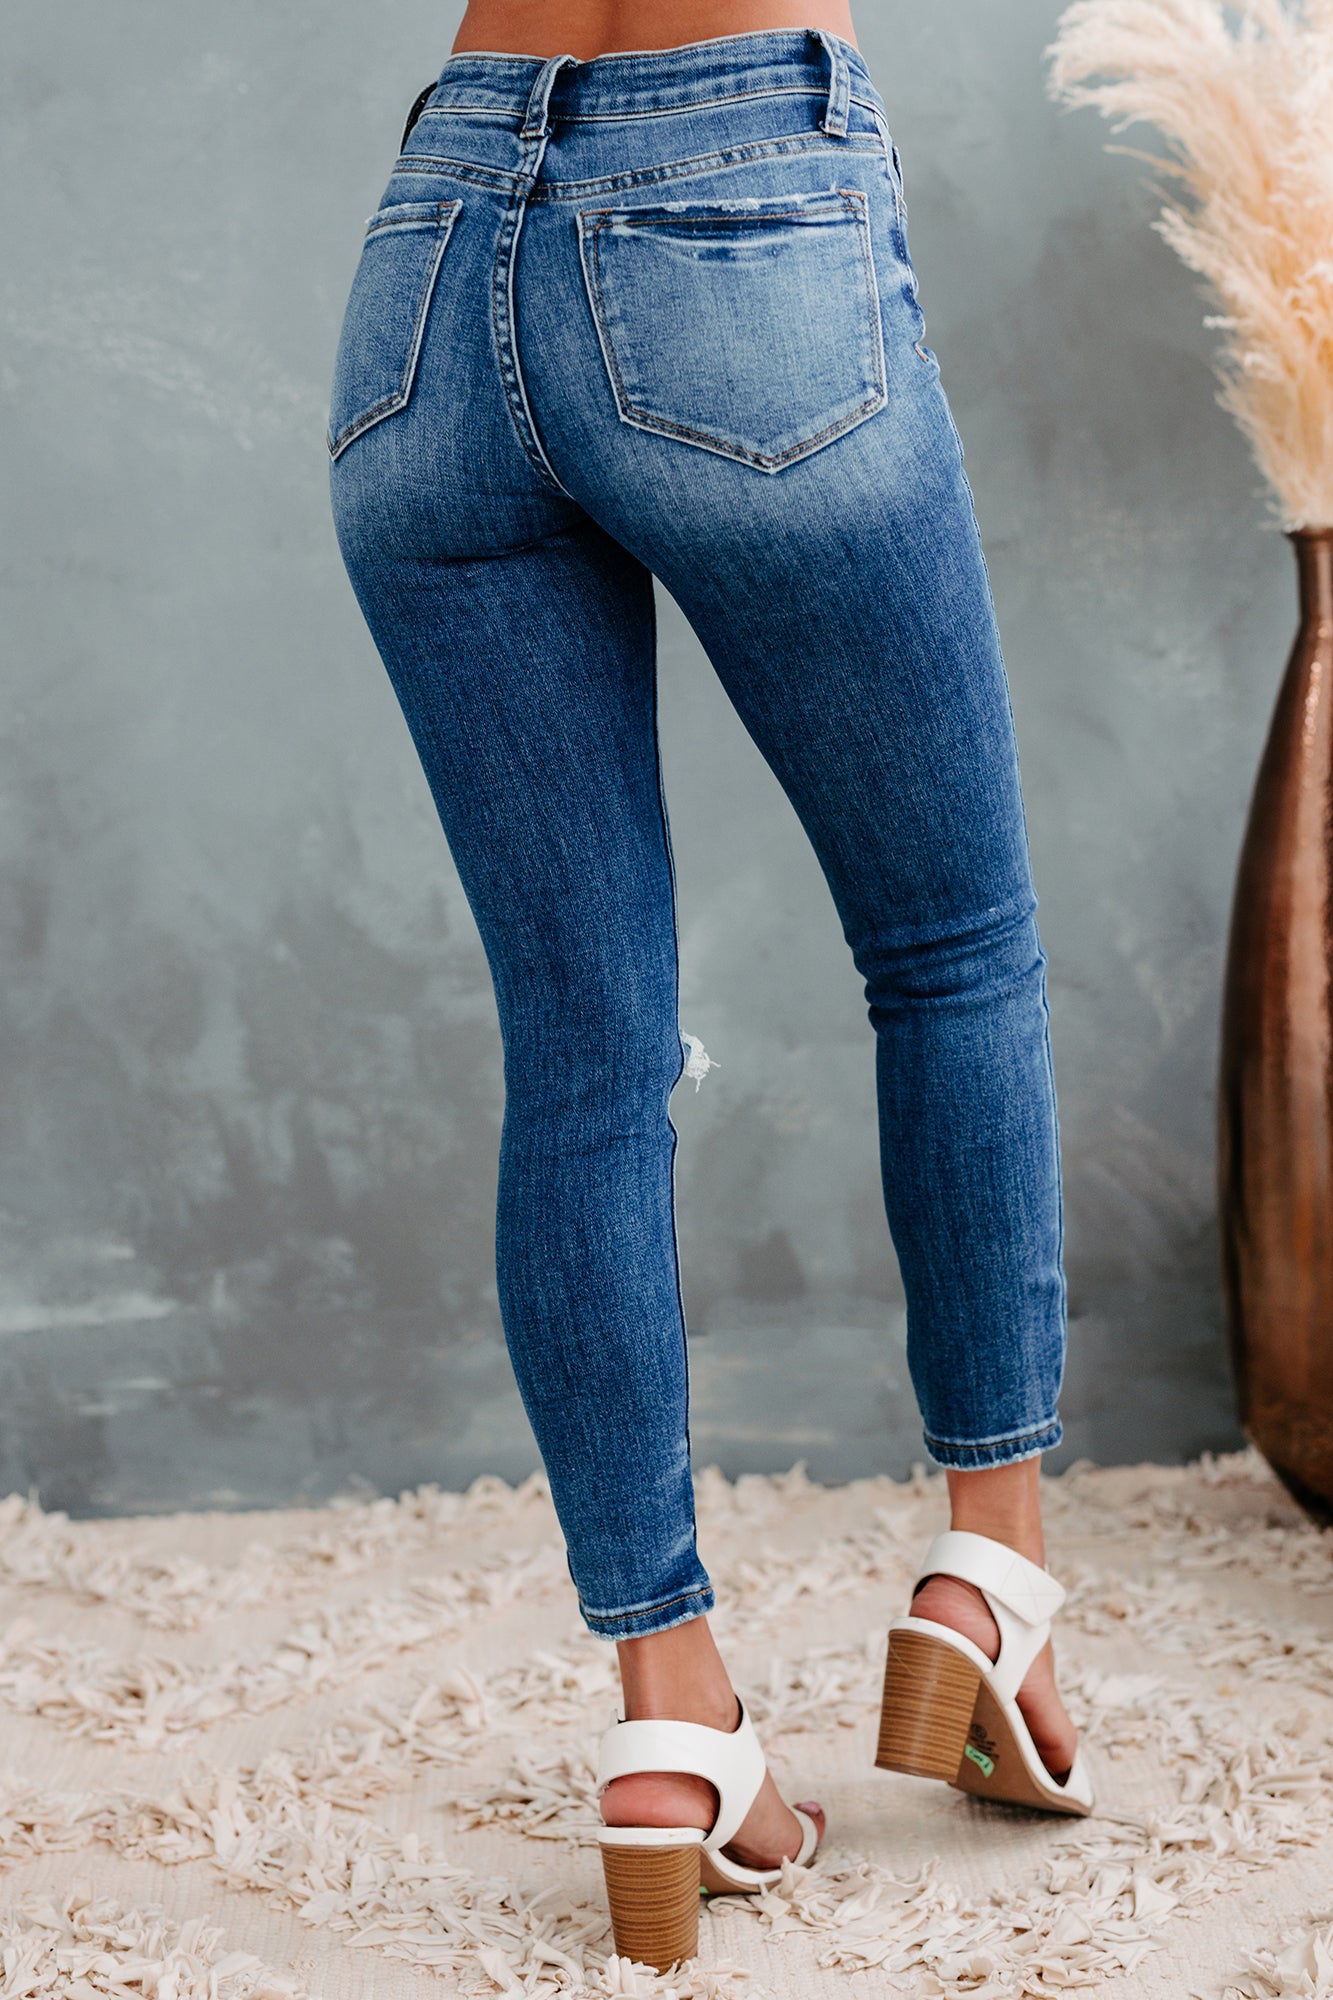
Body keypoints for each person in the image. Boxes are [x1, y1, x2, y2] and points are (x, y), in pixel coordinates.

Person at [328, 0, 1092, 1966]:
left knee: (580, 1055)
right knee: (951, 950)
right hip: (736, 198)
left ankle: (671, 1723)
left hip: (435, 251)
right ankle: (987, 1580)